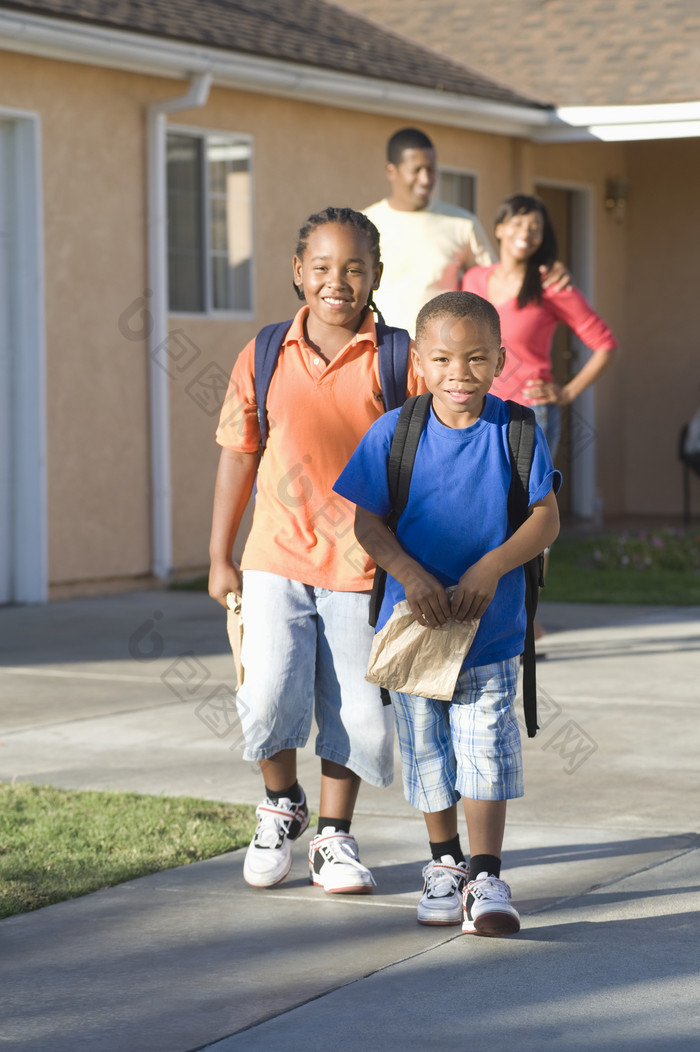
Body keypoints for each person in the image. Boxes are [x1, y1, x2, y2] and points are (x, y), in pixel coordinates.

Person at [208, 206, 422, 895]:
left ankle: (333, 836)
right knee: (267, 697)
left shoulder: (400, 359)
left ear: (377, 276)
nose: (339, 281)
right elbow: (239, 456)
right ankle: (281, 804)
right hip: (274, 557)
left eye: (355, 268)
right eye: (323, 267)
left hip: (364, 568)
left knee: (358, 717)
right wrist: (219, 555)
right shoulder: (265, 352)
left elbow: (436, 451)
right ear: (299, 272)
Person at [334, 290, 561, 935]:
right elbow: (367, 521)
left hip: (490, 630)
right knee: (428, 752)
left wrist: (491, 566)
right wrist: (407, 573)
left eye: (476, 359)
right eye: (442, 360)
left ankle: (487, 877)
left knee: (486, 746)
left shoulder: (516, 430)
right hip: (417, 629)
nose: (459, 373)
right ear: (421, 366)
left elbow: (544, 520)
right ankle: (445, 864)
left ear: (499, 360)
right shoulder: (395, 433)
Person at [364, 128, 569, 335]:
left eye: (431, 169)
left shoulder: (462, 223)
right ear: (392, 171)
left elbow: (499, 280)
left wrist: (548, 270)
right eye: (416, 170)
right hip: (382, 349)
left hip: (441, 355)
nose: (425, 179)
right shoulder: (366, 225)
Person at [462, 193, 617, 460]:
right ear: (499, 228)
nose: (527, 232)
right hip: (475, 408)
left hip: (529, 412)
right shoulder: (473, 280)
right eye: (519, 223)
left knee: (527, 499)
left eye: (536, 228)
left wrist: (567, 392)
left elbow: (606, 346)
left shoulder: (551, 285)